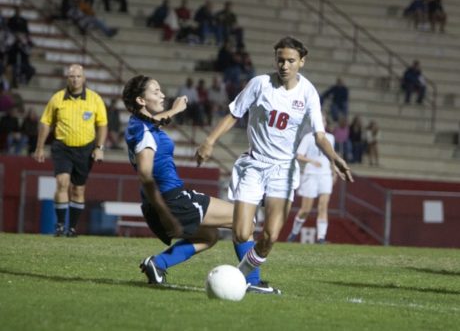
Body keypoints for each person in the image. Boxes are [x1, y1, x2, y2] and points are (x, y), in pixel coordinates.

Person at [196, 36, 353, 285]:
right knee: (240, 232)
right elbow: (233, 114)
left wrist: (334, 158)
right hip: (255, 164)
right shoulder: (260, 84)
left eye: (290, 60)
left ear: (302, 62)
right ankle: (247, 280)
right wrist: (210, 141)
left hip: (283, 169)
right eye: (280, 60)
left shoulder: (309, 93)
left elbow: (320, 136)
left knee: (269, 237)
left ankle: (243, 278)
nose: (284, 65)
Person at [122, 75, 279, 294]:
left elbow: (152, 123)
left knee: (209, 236)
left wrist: (173, 112)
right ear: (141, 100)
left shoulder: (139, 125)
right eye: (156, 91)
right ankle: (251, 280)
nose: (163, 95)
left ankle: (157, 263)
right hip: (170, 200)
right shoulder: (144, 132)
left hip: (163, 200)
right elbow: (145, 177)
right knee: (243, 220)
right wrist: (165, 212)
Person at [33, 64, 108, 237]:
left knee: (78, 190)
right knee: (62, 183)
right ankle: (59, 225)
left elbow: (102, 125)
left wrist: (99, 148)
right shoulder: (57, 98)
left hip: (85, 149)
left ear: (84, 78)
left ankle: (72, 228)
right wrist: (39, 147)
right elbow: (45, 122)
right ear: (67, 78)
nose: (75, 79)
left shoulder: (95, 99)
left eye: (78, 76)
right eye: (72, 76)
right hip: (62, 147)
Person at [287, 114, 336, 243]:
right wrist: (312, 161)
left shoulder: (330, 138)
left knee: (323, 206)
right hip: (311, 175)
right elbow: (299, 155)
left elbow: (332, 157)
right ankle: (294, 233)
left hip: (325, 175)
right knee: (306, 210)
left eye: (323, 121)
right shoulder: (308, 138)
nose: (322, 123)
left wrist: (334, 172)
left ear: (325, 123)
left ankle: (321, 238)